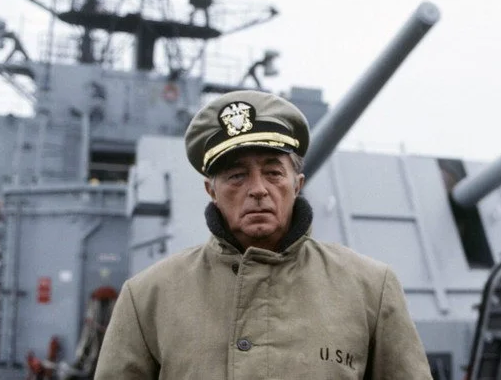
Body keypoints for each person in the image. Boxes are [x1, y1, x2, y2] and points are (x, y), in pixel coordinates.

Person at [95, 90, 432, 379]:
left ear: (297, 185)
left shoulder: (370, 289)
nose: (258, 189)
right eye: (236, 176)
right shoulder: (147, 298)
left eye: (273, 172)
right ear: (211, 191)